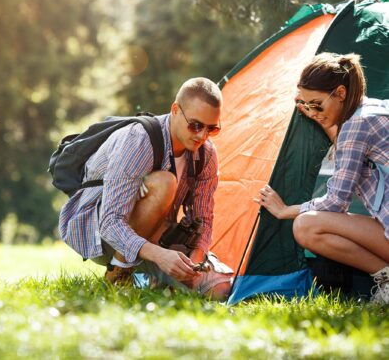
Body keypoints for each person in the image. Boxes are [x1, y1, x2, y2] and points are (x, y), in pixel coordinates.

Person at [59, 77, 232, 298]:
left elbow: (204, 219)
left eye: (212, 128)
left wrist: (196, 260)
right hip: (101, 234)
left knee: (219, 290)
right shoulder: (139, 140)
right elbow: (110, 222)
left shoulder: (206, 154)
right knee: (165, 183)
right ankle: (118, 275)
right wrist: (160, 255)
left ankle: (152, 280)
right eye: (196, 125)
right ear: (175, 109)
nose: (202, 135)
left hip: (158, 234)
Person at [255, 53, 389, 304]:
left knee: (305, 226)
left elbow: (337, 202)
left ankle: (387, 281)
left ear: (340, 93)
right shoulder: (371, 111)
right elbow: (349, 149)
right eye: (306, 105)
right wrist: (320, 114)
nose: (312, 112)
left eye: (317, 104)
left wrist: (286, 210)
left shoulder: (356, 125)